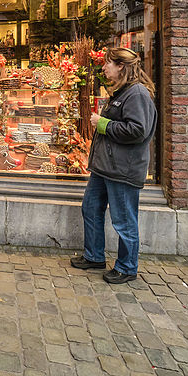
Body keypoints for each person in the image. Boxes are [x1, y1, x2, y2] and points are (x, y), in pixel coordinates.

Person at [70, 47, 157, 284]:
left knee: (124, 220)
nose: (104, 67)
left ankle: (127, 267)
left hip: (122, 168)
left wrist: (103, 124)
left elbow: (138, 131)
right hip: (105, 166)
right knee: (90, 208)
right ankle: (94, 255)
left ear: (121, 66)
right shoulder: (123, 91)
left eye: (108, 63)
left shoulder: (137, 94)